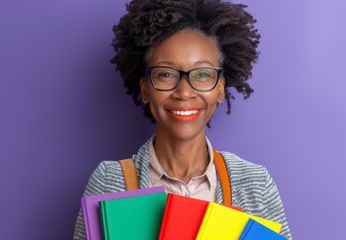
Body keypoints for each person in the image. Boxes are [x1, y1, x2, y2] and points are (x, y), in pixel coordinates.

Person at [73, 0, 292, 239]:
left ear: (220, 88)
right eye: (166, 74)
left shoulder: (255, 184)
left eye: (202, 74)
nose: (185, 92)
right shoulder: (110, 180)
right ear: (145, 89)